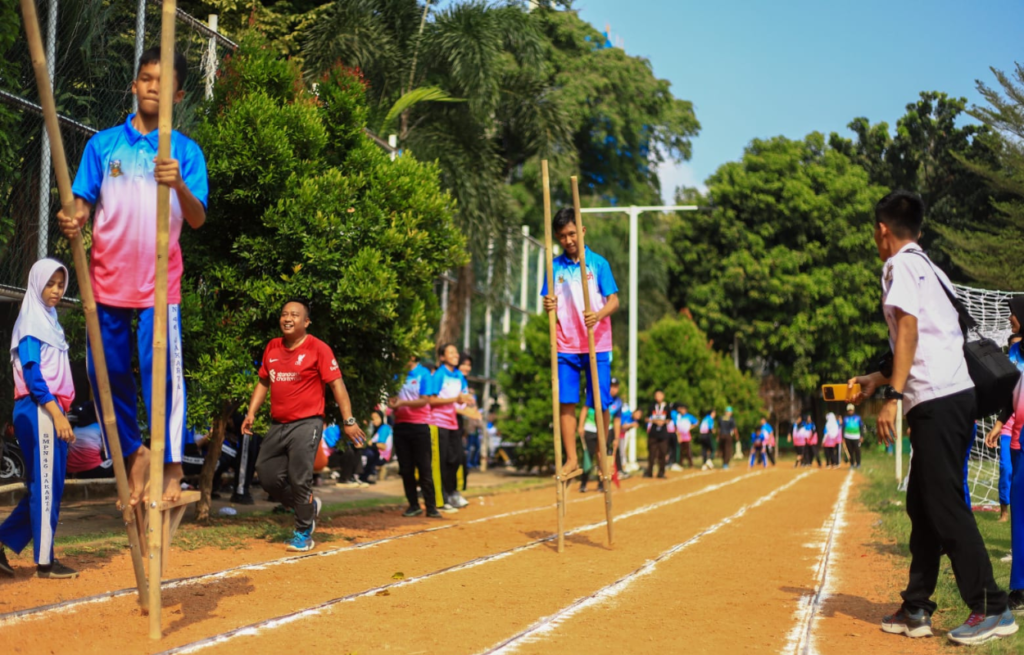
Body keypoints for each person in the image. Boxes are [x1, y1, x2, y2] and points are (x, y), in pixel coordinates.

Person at [849, 190, 1015, 645]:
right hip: (951, 395)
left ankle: (991, 608)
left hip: (936, 400)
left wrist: (893, 395)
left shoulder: (898, 266)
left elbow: (908, 329)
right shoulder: (931, 268)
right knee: (922, 504)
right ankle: (916, 607)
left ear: (883, 231)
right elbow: (930, 338)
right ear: (918, 229)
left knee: (944, 504)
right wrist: (875, 377)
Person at [58, 48, 208, 506]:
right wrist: (74, 219)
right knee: (107, 374)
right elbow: (82, 204)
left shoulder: (184, 151)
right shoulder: (102, 146)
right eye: (145, 79)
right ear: (134, 85)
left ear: (178, 94)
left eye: (163, 83)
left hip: (160, 286)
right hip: (105, 282)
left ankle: (171, 464)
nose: (152, 88)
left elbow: (198, 219)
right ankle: (131, 451)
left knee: (161, 377)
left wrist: (178, 183)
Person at [242, 300, 365, 552]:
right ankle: (308, 506)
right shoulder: (273, 347)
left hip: (307, 423)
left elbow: (337, 385)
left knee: (300, 478)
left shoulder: (318, 348)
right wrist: (251, 412)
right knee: (266, 475)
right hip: (279, 424)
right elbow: (264, 382)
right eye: (284, 314)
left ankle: (303, 532)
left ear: (306, 322)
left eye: (295, 315)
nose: (288, 318)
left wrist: (349, 420)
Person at [0, 260, 78, 579]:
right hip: (40, 409)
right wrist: (57, 414)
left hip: (47, 410)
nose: (56, 290)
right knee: (47, 486)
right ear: (37, 285)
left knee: (42, 487)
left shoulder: (51, 322)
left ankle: (3, 539)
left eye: (61, 284)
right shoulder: (32, 319)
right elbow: (33, 376)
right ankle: (45, 561)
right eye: (50, 284)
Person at [541, 207, 620, 477]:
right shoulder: (553, 267)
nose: (568, 240)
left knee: (601, 400)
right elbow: (549, 304)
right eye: (562, 236)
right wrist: (547, 304)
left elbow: (614, 301)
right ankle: (572, 459)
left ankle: (602, 454)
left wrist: (597, 315)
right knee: (565, 401)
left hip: (597, 343)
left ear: (582, 231)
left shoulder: (598, 263)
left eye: (572, 233)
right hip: (566, 344)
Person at [389, 356, 441, 518]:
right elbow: (392, 397)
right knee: (406, 469)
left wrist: (402, 403)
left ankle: (431, 507)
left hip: (419, 427)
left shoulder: (423, 373)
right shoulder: (396, 374)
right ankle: (413, 505)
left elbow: (425, 400)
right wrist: (392, 402)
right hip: (400, 426)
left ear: (411, 355)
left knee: (424, 467)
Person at [429, 343, 473, 511]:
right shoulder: (439, 375)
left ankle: (451, 492)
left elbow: (463, 397)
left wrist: (467, 401)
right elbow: (432, 400)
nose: (455, 355)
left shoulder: (458, 376)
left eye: (456, 352)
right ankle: (440, 498)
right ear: (442, 357)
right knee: (440, 461)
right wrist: (455, 399)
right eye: (451, 352)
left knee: (455, 460)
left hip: (454, 422)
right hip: (438, 422)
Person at [66, 401, 114, 480]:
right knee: (116, 460)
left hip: (72, 472)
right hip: (93, 470)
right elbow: (105, 448)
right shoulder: (99, 427)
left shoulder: (75, 429)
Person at [360, 410, 392, 484]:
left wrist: (369, 443)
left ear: (381, 418)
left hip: (381, 456)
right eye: (372, 418)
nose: (374, 420)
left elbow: (382, 446)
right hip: (376, 454)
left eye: (376, 417)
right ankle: (363, 476)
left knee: (368, 453)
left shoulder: (384, 428)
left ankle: (362, 475)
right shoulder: (373, 429)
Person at [645, 391, 671, 479]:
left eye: (660, 395)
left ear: (663, 396)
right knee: (652, 453)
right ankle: (649, 472)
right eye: (656, 395)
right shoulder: (652, 406)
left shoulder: (667, 407)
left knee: (663, 453)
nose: (658, 397)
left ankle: (661, 472)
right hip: (653, 433)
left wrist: (663, 422)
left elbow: (669, 419)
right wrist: (655, 421)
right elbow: (646, 418)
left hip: (663, 433)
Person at [674, 404, 697, 468]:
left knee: (687, 451)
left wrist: (690, 427)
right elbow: (676, 426)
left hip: (686, 435)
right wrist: (678, 435)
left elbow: (696, 422)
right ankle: (680, 464)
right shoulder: (678, 416)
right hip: (680, 435)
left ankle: (691, 464)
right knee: (680, 451)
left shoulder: (689, 416)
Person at [841, 404, 863, 469]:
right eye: (849, 410)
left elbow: (861, 427)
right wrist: (843, 437)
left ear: (853, 410)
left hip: (856, 437)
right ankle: (852, 464)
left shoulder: (858, 418)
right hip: (847, 437)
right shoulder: (845, 418)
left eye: (851, 410)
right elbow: (843, 428)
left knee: (857, 451)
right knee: (850, 451)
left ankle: (858, 463)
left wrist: (862, 436)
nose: (850, 411)